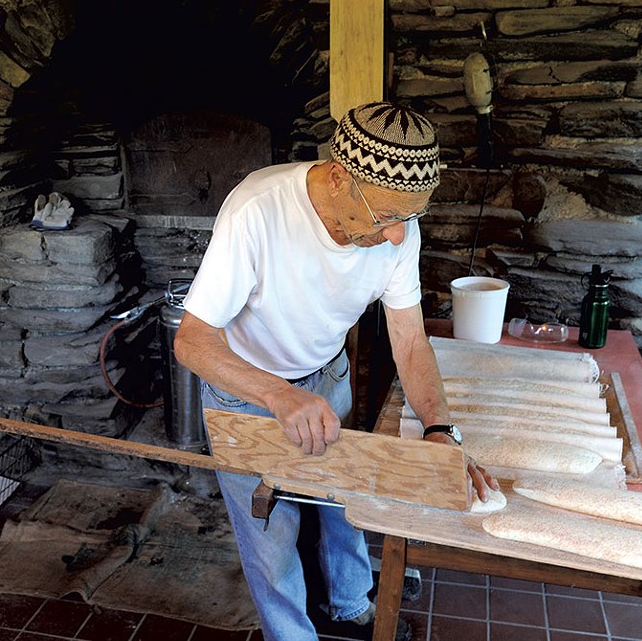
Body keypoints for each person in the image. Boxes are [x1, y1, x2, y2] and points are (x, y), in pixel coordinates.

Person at [173, 101, 498, 640]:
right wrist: (279, 396)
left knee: (346, 501)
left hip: (328, 376)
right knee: (270, 540)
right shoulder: (258, 209)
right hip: (248, 393)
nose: (399, 236)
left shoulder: (398, 229)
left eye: (410, 218)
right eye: (388, 217)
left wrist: (440, 429)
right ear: (340, 178)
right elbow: (192, 341)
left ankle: (351, 605)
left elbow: (411, 342)